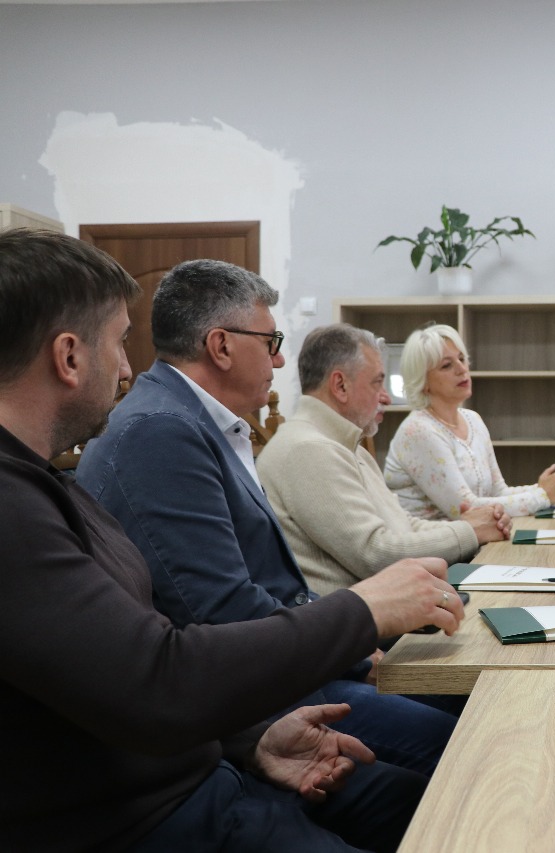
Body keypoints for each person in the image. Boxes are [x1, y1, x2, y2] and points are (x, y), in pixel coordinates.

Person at [0, 229, 460, 851]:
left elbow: (114, 673)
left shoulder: (42, 479)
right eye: (119, 342)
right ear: (69, 357)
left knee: (438, 792)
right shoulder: (71, 474)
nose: (130, 368)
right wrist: (365, 611)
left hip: (207, 761)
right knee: (461, 781)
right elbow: (167, 668)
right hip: (166, 810)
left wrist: (250, 741)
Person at [78, 259, 462, 778]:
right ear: (221, 346)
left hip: (279, 667)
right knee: (462, 741)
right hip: (253, 701)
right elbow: (222, 610)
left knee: (467, 698)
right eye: (271, 342)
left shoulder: (192, 421)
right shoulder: (161, 431)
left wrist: (354, 647)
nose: (279, 361)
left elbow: (262, 591)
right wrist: (356, 635)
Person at [258, 323, 512, 596]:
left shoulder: (345, 446)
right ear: (340, 385)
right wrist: (469, 531)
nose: (387, 398)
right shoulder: (309, 449)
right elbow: (377, 555)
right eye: (377, 382)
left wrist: (470, 527)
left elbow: (403, 525)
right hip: (358, 621)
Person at [384, 322, 555, 519]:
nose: (461, 369)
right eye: (446, 365)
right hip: (432, 539)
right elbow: (467, 509)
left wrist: (548, 487)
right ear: (423, 381)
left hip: (473, 537)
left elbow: (497, 492)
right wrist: (544, 495)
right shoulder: (418, 431)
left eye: (462, 359)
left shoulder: (473, 420)